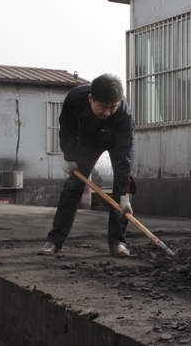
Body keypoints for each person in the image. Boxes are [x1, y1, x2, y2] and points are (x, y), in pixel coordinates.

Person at [38, 73, 136, 257]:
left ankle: (118, 242)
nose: (107, 113)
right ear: (90, 98)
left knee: (122, 192)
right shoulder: (74, 99)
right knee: (73, 185)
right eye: (103, 107)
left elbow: (125, 158)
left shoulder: (124, 116)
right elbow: (67, 129)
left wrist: (124, 196)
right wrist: (69, 157)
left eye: (112, 107)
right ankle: (55, 241)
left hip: (117, 141)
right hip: (89, 141)